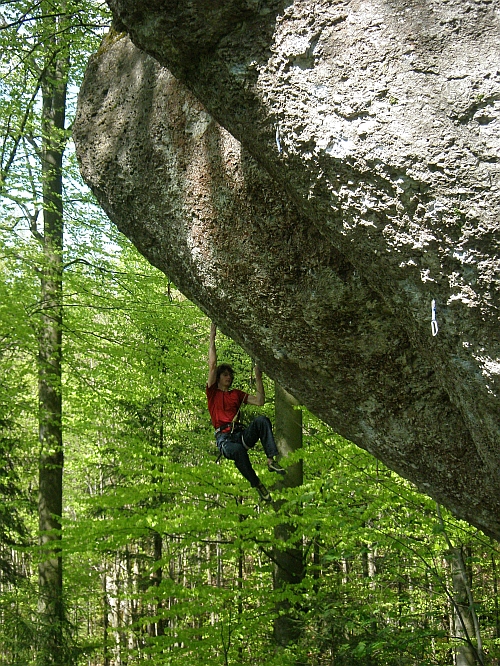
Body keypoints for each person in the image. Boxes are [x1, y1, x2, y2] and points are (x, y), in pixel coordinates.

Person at [206, 322, 285, 502]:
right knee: (238, 451)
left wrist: (258, 378)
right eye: (225, 374)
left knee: (262, 420)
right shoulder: (212, 393)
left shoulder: (237, 394)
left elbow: (260, 401)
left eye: (230, 375)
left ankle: (271, 460)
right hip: (224, 439)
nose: (229, 377)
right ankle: (257, 484)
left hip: (240, 435)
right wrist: (212, 335)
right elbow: (212, 364)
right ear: (218, 377)